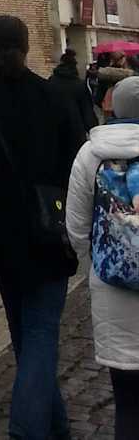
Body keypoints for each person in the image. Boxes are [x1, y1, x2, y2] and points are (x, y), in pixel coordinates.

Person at [0, 14, 84, 440]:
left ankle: (43, 430)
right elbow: (77, 167)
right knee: (37, 339)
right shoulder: (53, 99)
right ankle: (38, 430)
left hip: (0, 239)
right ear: (27, 47)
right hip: (51, 235)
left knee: (28, 341)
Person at [66, 74, 139, 440]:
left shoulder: (90, 154)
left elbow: (76, 227)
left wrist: (98, 263)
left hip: (112, 290)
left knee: (127, 404)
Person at [50, 48, 97, 135]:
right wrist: (94, 131)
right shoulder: (79, 84)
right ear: (74, 66)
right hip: (75, 130)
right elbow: (87, 112)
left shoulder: (51, 81)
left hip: (55, 129)